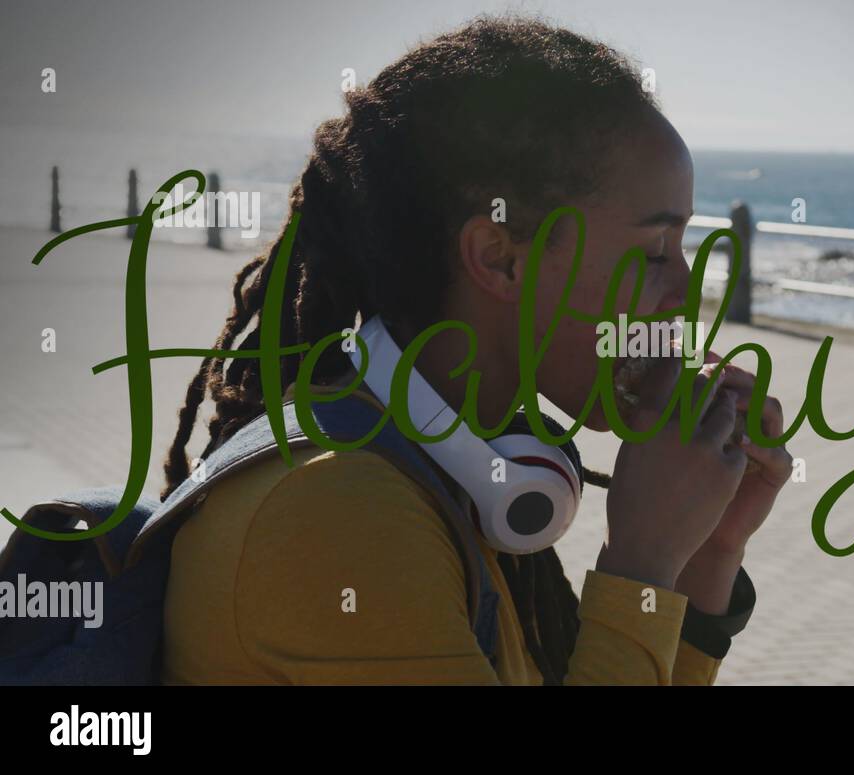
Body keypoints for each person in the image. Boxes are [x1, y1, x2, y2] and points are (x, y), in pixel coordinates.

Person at [159, 14, 793, 685]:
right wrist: (642, 561)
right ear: (500, 258)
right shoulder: (338, 510)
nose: (684, 293)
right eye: (654, 252)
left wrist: (706, 555)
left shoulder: (458, 465)